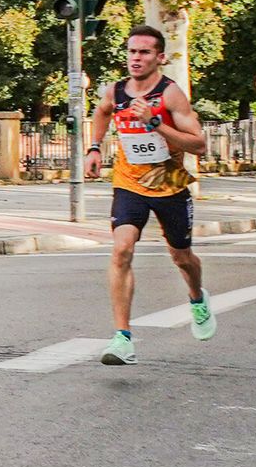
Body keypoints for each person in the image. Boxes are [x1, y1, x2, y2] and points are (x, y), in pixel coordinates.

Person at [84, 24, 216, 365]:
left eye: (144, 52)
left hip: (169, 185)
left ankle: (197, 297)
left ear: (160, 57)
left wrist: (155, 123)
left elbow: (199, 145)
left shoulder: (170, 94)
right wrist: (95, 148)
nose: (136, 58)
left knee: (182, 258)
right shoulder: (116, 91)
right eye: (131, 51)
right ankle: (122, 338)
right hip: (129, 184)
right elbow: (101, 112)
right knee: (121, 250)